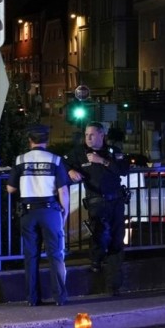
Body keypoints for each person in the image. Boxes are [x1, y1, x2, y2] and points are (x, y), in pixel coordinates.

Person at [6, 125, 72, 306]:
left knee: (31, 256)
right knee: (56, 254)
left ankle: (32, 298)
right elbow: (63, 192)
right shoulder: (55, 160)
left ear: (30, 141)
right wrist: (64, 214)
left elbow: (10, 188)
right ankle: (59, 297)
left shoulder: (20, 160)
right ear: (47, 140)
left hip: (28, 212)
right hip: (50, 211)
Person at [69, 122, 130, 296]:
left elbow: (123, 170)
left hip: (116, 201)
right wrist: (70, 171)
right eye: (86, 134)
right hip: (96, 202)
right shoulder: (79, 153)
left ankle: (114, 285)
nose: (88, 138)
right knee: (100, 234)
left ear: (101, 135)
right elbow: (64, 164)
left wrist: (102, 161)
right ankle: (95, 261)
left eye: (92, 135)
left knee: (117, 241)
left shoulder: (112, 152)